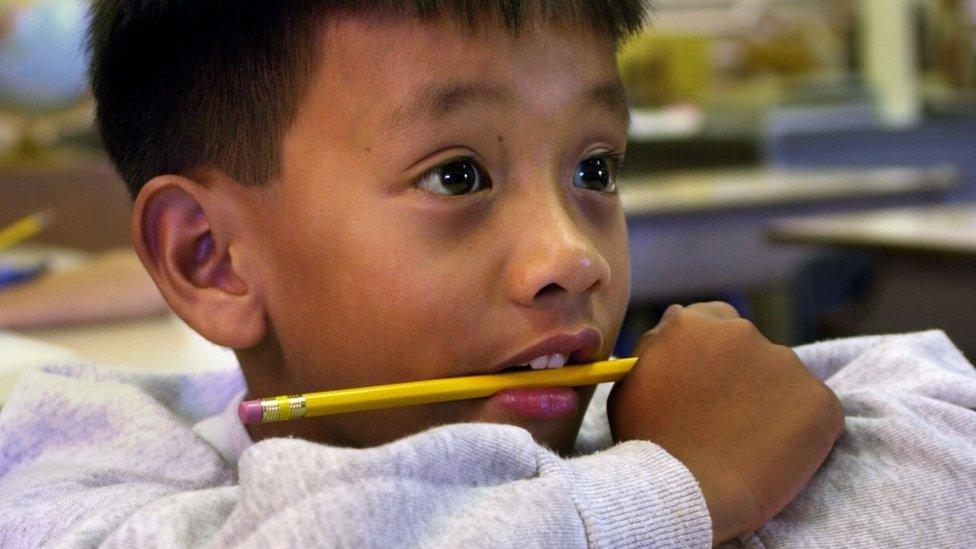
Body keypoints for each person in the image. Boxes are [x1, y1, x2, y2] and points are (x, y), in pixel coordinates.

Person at [1, 2, 974, 547]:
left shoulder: (637, 416)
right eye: (456, 175)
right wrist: (690, 487)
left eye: (595, 168)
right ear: (208, 257)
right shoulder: (92, 478)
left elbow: (941, 415)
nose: (575, 255)